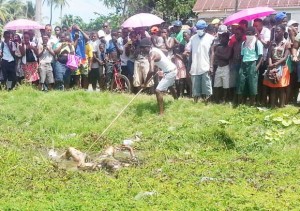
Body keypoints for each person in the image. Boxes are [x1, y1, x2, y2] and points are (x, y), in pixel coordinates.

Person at [141, 38, 178, 115]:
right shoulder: (155, 49)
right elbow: (163, 55)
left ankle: (161, 113)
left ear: (148, 47)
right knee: (170, 85)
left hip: (170, 72)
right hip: (172, 69)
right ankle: (177, 101)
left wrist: (145, 83)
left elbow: (151, 71)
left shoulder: (151, 55)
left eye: (143, 48)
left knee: (158, 90)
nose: (142, 50)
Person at [187, 20, 215, 103]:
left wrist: (211, 66)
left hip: (205, 65)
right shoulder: (193, 38)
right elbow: (191, 52)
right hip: (195, 66)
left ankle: (207, 102)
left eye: (201, 28)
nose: (199, 30)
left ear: (205, 29)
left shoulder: (210, 38)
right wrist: (189, 66)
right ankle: (195, 101)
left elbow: (212, 53)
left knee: (207, 85)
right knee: (195, 85)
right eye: (198, 28)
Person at [263, 25, 291, 108]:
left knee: (281, 88)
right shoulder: (272, 43)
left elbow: (285, 57)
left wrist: (275, 64)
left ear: (283, 32)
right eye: (275, 31)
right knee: (272, 86)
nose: (276, 33)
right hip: (272, 66)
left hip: (282, 67)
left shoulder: (286, 43)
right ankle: (272, 104)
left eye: (278, 31)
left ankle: (281, 105)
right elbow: (269, 55)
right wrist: (271, 64)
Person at [236, 27, 263, 106]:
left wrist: (256, 67)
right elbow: (242, 55)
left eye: (250, 33)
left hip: (253, 63)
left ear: (254, 33)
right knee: (241, 82)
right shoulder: (244, 43)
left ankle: (252, 103)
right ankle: (240, 103)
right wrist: (241, 65)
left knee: (252, 84)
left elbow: (261, 56)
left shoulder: (257, 43)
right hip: (244, 63)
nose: (248, 35)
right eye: (247, 33)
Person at [213, 32, 232, 103]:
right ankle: (217, 99)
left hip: (226, 67)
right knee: (217, 84)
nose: (223, 40)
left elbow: (227, 57)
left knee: (226, 85)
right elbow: (216, 56)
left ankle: (224, 99)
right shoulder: (218, 48)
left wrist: (219, 55)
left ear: (227, 40)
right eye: (222, 38)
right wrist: (222, 56)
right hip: (219, 67)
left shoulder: (229, 48)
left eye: (224, 39)